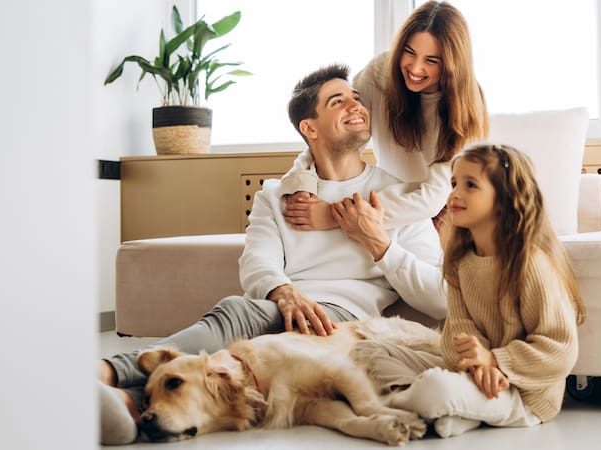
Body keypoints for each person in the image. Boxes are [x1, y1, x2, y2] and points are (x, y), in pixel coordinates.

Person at [96, 63, 447, 445]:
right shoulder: (278, 195)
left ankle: (110, 378)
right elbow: (257, 262)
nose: (357, 106)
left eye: (357, 99)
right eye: (338, 101)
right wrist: (284, 291)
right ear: (309, 128)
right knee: (229, 357)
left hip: (342, 321)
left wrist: (379, 244)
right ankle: (126, 403)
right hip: (275, 308)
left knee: (238, 322)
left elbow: (438, 296)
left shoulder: (399, 197)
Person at [350, 144, 586, 438]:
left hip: (525, 395)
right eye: (453, 184)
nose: (454, 195)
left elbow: (560, 349)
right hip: (474, 376)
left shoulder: (532, 264)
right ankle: (452, 412)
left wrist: (495, 361)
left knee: (435, 389)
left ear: (504, 199)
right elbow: (458, 330)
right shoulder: (462, 261)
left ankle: (399, 405)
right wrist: (476, 363)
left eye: (470, 185)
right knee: (365, 351)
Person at [280, 0, 488, 234]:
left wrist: (336, 215)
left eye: (431, 61)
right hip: (386, 196)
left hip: (443, 209)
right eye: (409, 52)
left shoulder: (465, 104)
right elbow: (335, 138)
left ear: (452, 65)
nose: (415, 68)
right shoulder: (381, 73)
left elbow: (432, 198)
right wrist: (300, 182)